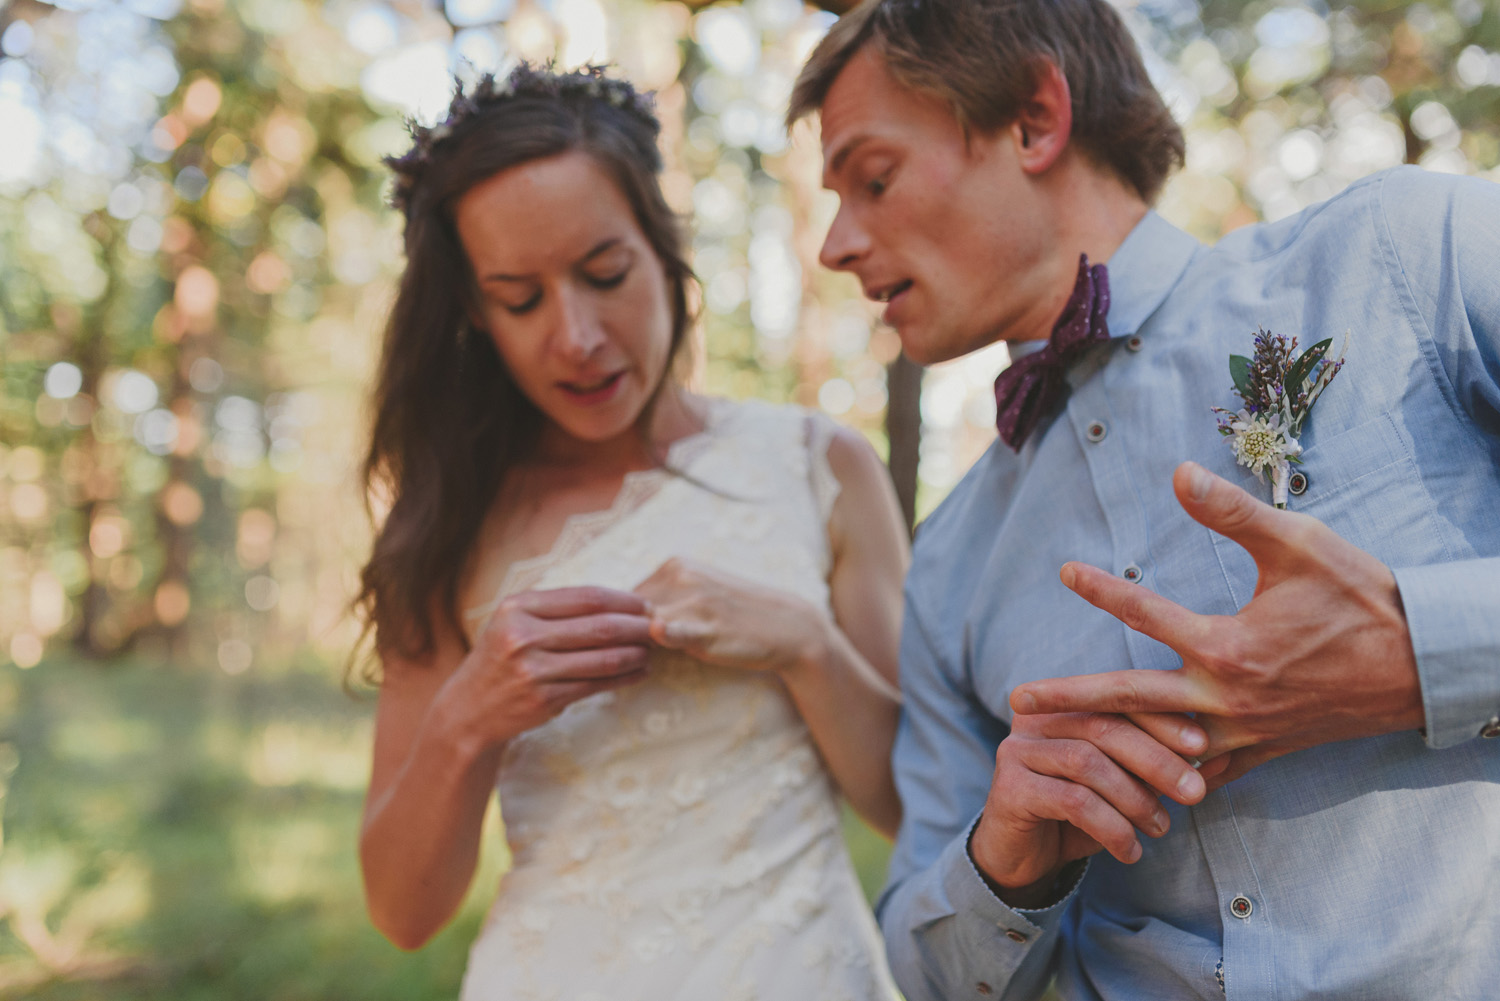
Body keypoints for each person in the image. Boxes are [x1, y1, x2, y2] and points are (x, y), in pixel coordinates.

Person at [788, 1, 1500, 999]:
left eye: (872, 177)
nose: (832, 246)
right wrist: (1003, 861)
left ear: (1035, 119)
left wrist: (1415, 659)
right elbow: (919, 967)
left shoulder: (1408, 257)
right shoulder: (945, 563)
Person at [353, 64, 910, 999]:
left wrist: (804, 644)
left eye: (604, 274)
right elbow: (403, 911)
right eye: (519, 299)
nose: (574, 334)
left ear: (662, 250)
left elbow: (909, 804)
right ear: (476, 315)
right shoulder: (449, 523)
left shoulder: (821, 466)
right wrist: (472, 711)